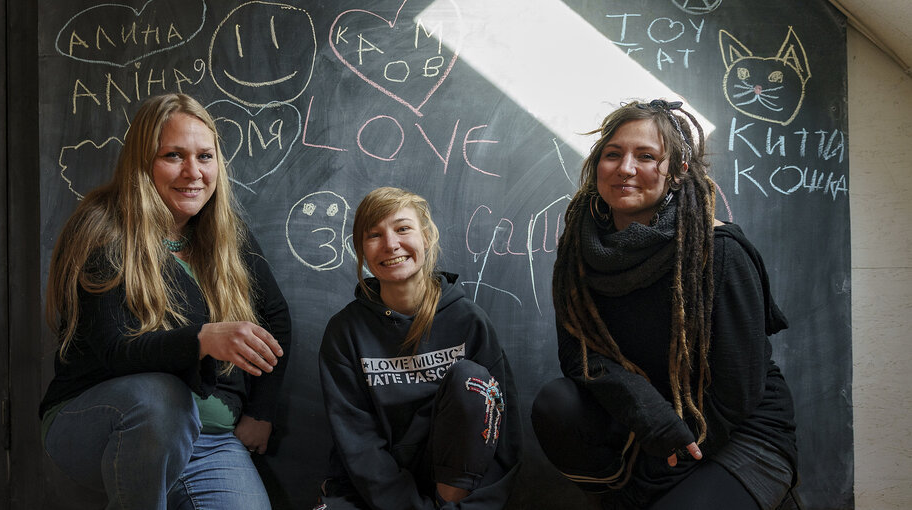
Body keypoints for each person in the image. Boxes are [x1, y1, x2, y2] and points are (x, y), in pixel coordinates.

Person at [531, 100, 799, 509]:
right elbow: (578, 352)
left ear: (677, 173)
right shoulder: (580, 248)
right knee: (558, 402)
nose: (625, 168)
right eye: (613, 154)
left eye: (647, 156)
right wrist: (647, 414)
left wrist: (673, 455)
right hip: (646, 426)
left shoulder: (718, 250)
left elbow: (737, 392)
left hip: (737, 434)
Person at [38, 93, 291, 510]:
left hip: (209, 440)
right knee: (160, 398)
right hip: (102, 422)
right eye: (174, 155)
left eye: (205, 156)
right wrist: (203, 339)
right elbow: (116, 350)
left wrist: (260, 412)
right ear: (143, 162)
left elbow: (275, 320)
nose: (193, 172)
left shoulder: (227, 234)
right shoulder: (102, 228)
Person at [315, 187, 521, 510]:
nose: (390, 244)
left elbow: (502, 431)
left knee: (471, 379)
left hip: (457, 496)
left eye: (402, 228)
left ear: (426, 237)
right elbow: (359, 445)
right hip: (372, 492)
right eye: (374, 235)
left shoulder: (469, 321)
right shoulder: (344, 333)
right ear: (362, 251)